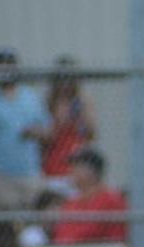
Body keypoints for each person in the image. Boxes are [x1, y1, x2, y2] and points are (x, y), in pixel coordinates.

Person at [0, 47, 50, 211]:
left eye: (9, 67)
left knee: (32, 215)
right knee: (8, 221)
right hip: (1, 174)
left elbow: (47, 131)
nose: (5, 71)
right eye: (0, 67)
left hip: (30, 172)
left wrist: (35, 132)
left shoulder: (30, 97)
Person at [50, 148, 127, 244]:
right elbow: (61, 235)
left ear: (91, 171)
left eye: (76, 167)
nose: (70, 171)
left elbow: (90, 232)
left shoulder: (111, 199)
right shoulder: (71, 203)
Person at [41, 54, 96, 190]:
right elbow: (47, 137)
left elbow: (92, 133)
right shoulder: (50, 101)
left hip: (76, 166)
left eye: (70, 78)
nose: (66, 84)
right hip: (53, 166)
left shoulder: (82, 100)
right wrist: (60, 119)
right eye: (62, 78)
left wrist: (80, 113)